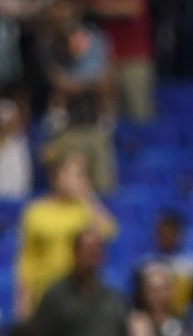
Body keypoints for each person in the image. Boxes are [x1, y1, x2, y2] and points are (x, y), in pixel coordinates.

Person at [26, 225, 129, 336]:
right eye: (86, 250)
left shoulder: (113, 297)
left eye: (95, 251)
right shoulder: (55, 295)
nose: (91, 257)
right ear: (74, 253)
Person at [14, 149, 116, 320]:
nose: (76, 180)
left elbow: (109, 232)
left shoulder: (84, 210)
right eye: (72, 174)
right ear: (55, 176)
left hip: (79, 296)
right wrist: (23, 309)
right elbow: (26, 264)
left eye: (81, 175)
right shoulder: (35, 212)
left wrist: (87, 196)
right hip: (44, 296)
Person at [36, 0, 116, 195]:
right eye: (58, 6)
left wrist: (80, 82)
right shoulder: (46, 45)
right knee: (68, 194)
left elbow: (105, 83)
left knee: (103, 193)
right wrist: (89, 81)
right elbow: (61, 85)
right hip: (66, 130)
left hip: (95, 126)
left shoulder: (94, 39)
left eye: (66, 6)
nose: (62, 13)